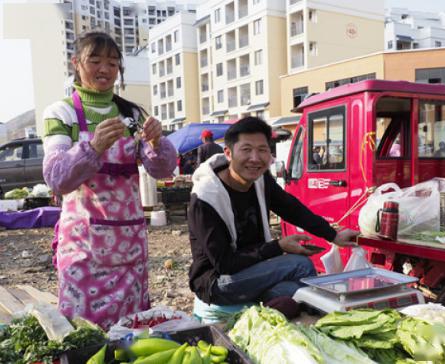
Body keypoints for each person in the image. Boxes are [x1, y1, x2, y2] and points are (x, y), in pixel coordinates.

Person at [42, 31, 177, 329]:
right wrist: (93, 148)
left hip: (129, 246)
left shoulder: (131, 114)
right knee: (85, 332)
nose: (105, 69)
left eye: (113, 62)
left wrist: (157, 143)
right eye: (96, 60)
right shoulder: (62, 112)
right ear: (76, 62)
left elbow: (163, 171)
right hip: (83, 249)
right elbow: (57, 179)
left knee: (132, 332)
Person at [188, 117, 358, 307]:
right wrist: (279, 246)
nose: (255, 158)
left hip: (251, 270)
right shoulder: (205, 198)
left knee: (294, 292)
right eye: (246, 149)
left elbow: (292, 209)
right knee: (301, 266)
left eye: (262, 150)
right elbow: (224, 263)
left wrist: (333, 235)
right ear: (228, 153)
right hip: (218, 283)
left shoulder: (260, 180)